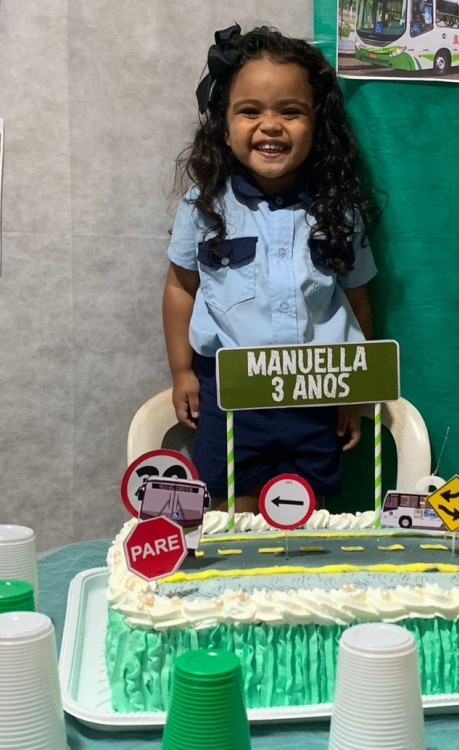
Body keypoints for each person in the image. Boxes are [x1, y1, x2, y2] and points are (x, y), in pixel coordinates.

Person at [163, 24, 377, 513]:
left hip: (316, 389)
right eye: (250, 111)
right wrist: (180, 371)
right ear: (223, 123)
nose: (271, 125)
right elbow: (181, 287)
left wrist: (354, 390)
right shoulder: (204, 206)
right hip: (230, 393)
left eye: (291, 111)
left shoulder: (339, 212)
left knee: (305, 511)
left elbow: (358, 298)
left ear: (317, 123)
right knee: (227, 508)